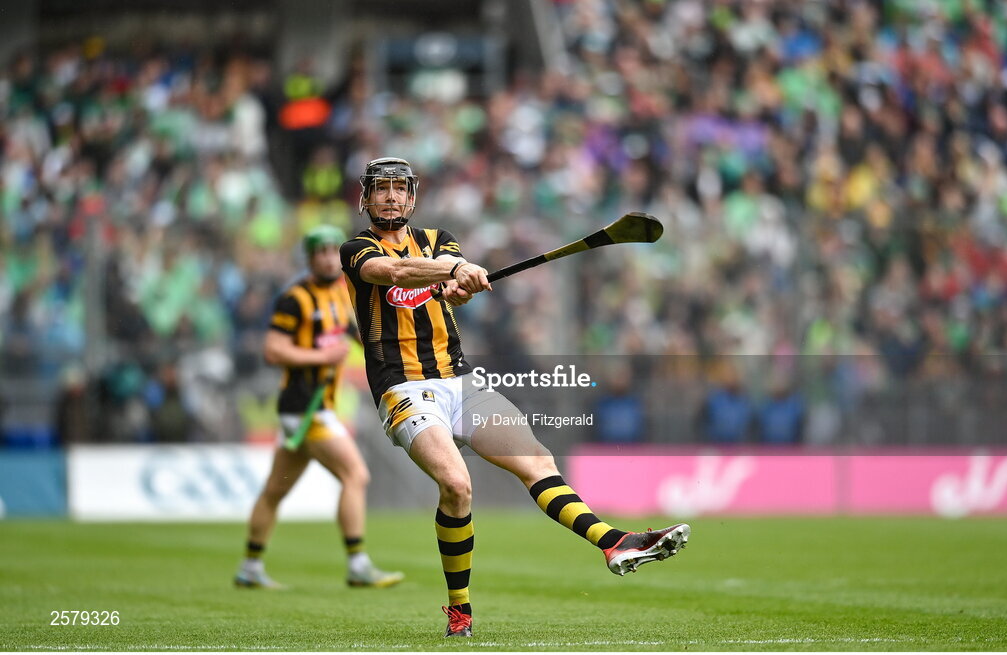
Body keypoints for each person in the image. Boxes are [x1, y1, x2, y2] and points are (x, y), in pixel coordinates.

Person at [340, 158, 689, 637]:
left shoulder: (440, 240)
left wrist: (460, 282)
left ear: (413, 196)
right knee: (458, 487)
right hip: (403, 388)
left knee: (539, 462)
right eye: (382, 189)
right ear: (366, 197)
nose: (392, 197)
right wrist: (457, 269)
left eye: (400, 188)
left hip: (460, 381)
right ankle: (459, 611)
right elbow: (396, 273)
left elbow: (449, 289)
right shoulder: (355, 249)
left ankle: (615, 542)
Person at [234, 225, 404, 590]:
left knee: (274, 491)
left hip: (315, 407)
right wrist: (321, 356)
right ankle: (358, 563)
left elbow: (355, 334)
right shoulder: (294, 298)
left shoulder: (343, 296)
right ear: (310, 258)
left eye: (333, 251)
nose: (329, 258)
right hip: (303, 406)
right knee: (356, 475)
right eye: (321, 252)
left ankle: (250, 566)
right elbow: (273, 350)